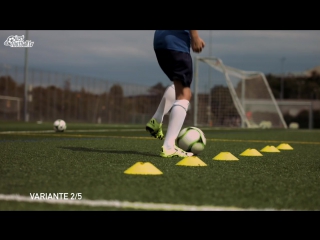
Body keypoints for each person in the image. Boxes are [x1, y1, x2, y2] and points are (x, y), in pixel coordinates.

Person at [146, 30, 205, 158]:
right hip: (176, 42)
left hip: (160, 42)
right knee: (185, 93)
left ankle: (156, 120)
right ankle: (169, 146)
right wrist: (195, 37)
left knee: (178, 85)